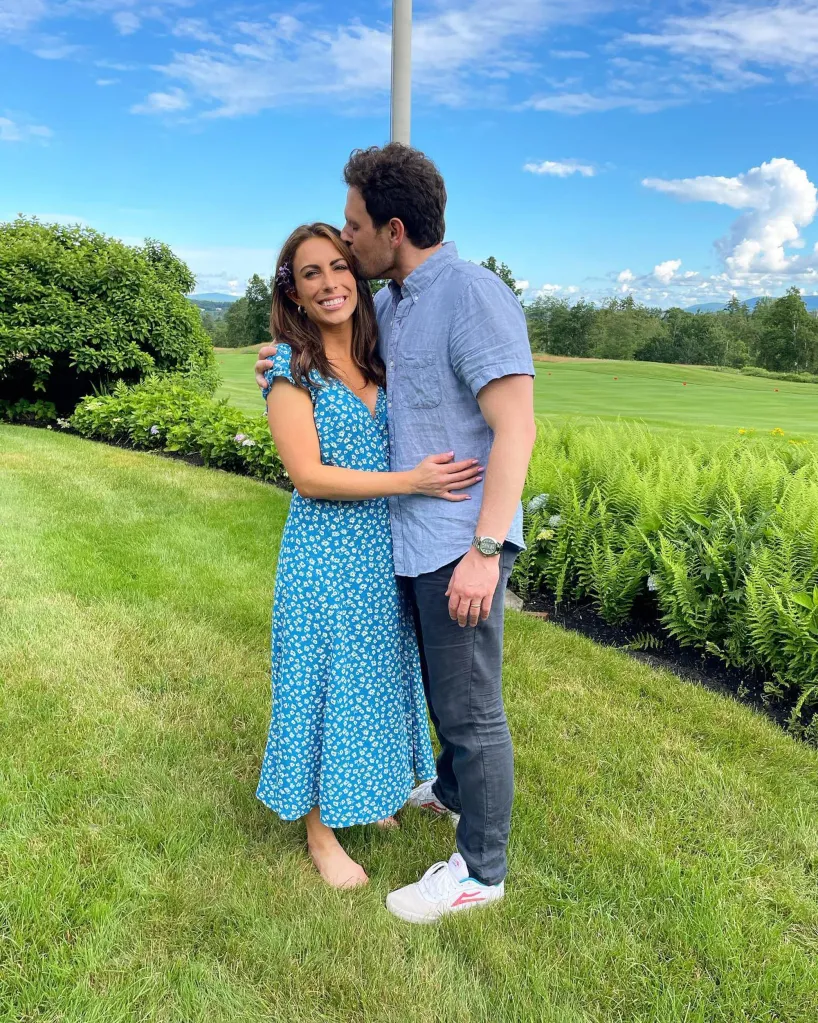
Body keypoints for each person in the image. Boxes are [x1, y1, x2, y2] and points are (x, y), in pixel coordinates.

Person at [256, 145, 536, 923]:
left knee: (472, 710)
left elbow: (516, 429)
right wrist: (285, 359)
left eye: (352, 232)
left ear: (394, 228)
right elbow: (320, 431)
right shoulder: (398, 305)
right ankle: (442, 792)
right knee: (423, 695)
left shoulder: (472, 294)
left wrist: (485, 549)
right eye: (317, 262)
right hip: (384, 548)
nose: (343, 252)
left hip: (457, 545)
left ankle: (481, 870)